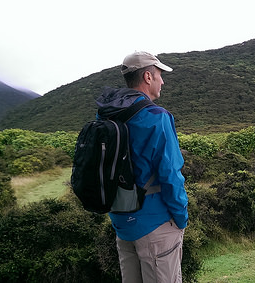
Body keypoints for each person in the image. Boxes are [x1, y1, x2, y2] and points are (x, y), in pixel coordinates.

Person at [96, 51, 188, 283]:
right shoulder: (158, 117)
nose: (162, 81)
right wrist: (181, 218)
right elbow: (171, 175)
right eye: (159, 75)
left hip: (121, 222)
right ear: (148, 77)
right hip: (155, 225)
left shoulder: (105, 115)